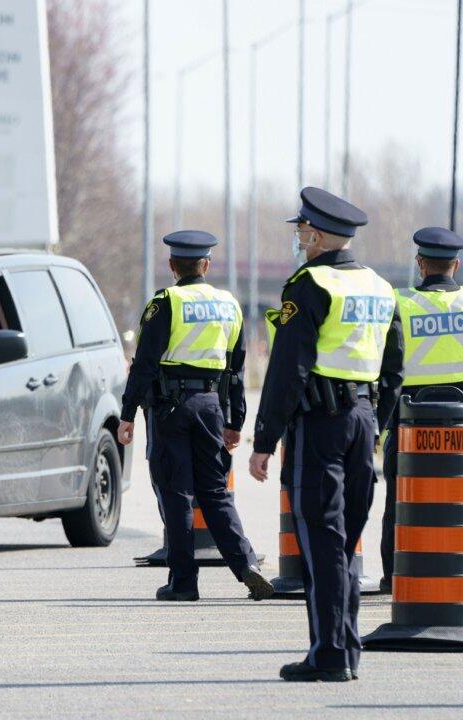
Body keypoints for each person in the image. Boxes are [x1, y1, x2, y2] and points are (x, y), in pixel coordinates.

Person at [248, 187, 404, 683]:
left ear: (315, 235)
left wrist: (263, 441)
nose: (297, 239)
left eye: (300, 232)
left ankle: (329, 654)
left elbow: (288, 370)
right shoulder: (381, 287)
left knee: (322, 541)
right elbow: (395, 367)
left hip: (319, 426)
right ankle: (346, 649)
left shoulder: (310, 284)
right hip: (362, 421)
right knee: (344, 540)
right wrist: (376, 423)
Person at [117, 230, 273, 604]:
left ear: (172, 266)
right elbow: (236, 370)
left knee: (176, 493)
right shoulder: (229, 304)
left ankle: (183, 582)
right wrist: (234, 421)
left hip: (170, 408)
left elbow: (144, 365)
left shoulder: (166, 301)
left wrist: (127, 415)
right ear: (206, 264)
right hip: (211, 407)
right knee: (216, 491)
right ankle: (245, 562)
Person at [380, 227, 463, 593]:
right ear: (455, 265)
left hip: (410, 417)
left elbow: (388, 368)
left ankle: (394, 574)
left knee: (401, 498)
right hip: (460, 413)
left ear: (419, 264)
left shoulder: (400, 302)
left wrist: (379, 425)